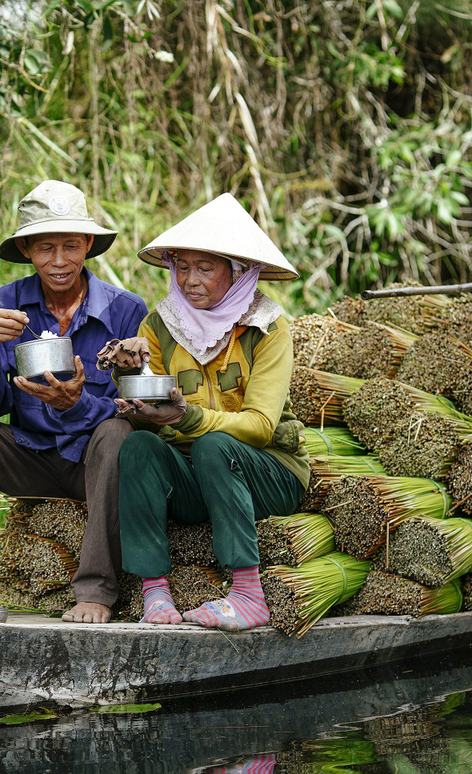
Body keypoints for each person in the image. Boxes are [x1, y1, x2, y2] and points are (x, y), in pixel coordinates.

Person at [0, 180, 148, 623]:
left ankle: (95, 591)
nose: (59, 261)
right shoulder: (3, 304)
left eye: (71, 246)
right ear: (28, 249)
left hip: (95, 464)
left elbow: (136, 408)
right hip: (28, 457)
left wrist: (76, 406)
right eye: (46, 248)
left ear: (88, 245)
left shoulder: (127, 310)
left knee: (118, 433)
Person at [98, 193, 309, 632]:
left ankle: (249, 596)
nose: (190, 280)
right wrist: (132, 380)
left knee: (216, 442)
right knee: (136, 445)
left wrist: (184, 418)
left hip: (267, 474)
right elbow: (149, 416)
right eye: (182, 267)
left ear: (238, 273)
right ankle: (155, 592)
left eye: (206, 268)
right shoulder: (158, 326)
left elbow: (260, 427)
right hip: (196, 477)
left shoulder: (267, 327)